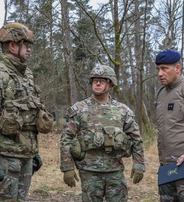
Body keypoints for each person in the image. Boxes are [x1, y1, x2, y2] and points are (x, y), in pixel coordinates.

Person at [0, 22, 54, 201]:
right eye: (26, 45)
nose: (29, 50)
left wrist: (34, 152)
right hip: (5, 156)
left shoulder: (25, 75)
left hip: (25, 155)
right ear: (12, 45)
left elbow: (29, 115)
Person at [60, 65, 145, 202]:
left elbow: (136, 138)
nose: (97, 83)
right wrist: (67, 167)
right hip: (89, 172)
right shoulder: (79, 109)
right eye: (95, 80)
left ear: (111, 84)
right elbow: (66, 138)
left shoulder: (123, 111)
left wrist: (139, 164)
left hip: (115, 171)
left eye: (102, 80)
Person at [155, 50, 184, 202]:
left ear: (178, 68)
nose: (160, 73)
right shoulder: (161, 94)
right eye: (158, 69)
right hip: (166, 169)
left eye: (164, 68)